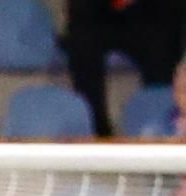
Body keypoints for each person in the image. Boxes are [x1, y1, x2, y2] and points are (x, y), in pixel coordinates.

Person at [63, 0, 182, 138]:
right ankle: (97, 128)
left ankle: (159, 122)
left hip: (151, 14)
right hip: (98, 15)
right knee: (81, 39)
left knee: (163, 41)